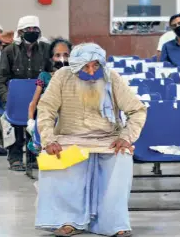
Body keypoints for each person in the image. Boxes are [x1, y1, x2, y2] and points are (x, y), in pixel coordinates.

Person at [35, 43, 147, 237]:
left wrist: (126, 137)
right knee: (51, 158)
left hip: (107, 138)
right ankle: (67, 220)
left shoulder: (111, 77)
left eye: (95, 66)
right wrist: (48, 139)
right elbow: (46, 109)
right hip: (69, 138)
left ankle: (113, 222)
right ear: (75, 66)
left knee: (122, 158)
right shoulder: (62, 77)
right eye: (85, 67)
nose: (91, 71)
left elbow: (137, 110)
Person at [0, 15, 50, 171]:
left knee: (41, 121)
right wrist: (9, 99)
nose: (31, 31)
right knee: (14, 121)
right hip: (16, 100)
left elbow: (53, 75)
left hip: (39, 99)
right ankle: (15, 157)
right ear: (20, 31)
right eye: (27, 29)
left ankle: (34, 157)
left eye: (34, 29)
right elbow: (0, 81)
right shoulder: (9, 51)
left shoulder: (46, 49)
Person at [26, 38, 72, 153]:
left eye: (66, 54)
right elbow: (34, 103)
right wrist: (31, 121)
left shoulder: (75, 77)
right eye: (58, 55)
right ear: (52, 58)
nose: (62, 58)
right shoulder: (44, 76)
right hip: (49, 117)